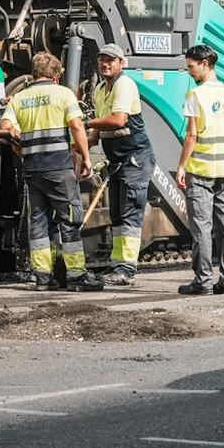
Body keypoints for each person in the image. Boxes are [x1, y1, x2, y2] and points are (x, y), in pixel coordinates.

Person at [0, 51, 103, 291]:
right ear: (56, 76)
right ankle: (76, 275)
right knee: (70, 219)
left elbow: (5, 127)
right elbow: (76, 125)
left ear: (34, 75)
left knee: (39, 222)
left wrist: (18, 142)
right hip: (59, 168)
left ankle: (43, 277)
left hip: (33, 170)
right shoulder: (63, 94)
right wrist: (85, 157)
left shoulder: (20, 98)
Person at [174, 43, 224, 296]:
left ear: (204, 64)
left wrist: (181, 167)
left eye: (191, 67)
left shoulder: (196, 95)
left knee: (201, 227)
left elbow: (191, 136)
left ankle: (202, 282)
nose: (189, 72)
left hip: (201, 169)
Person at [88, 42, 155, 287]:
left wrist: (87, 123)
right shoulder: (99, 90)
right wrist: (81, 148)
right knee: (117, 214)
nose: (106, 64)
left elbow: (117, 120)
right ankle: (117, 262)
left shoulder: (124, 84)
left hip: (135, 158)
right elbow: (97, 133)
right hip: (117, 161)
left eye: (111, 60)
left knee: (129, 213)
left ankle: (127, 267)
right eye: (102, 59)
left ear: (121, 63)